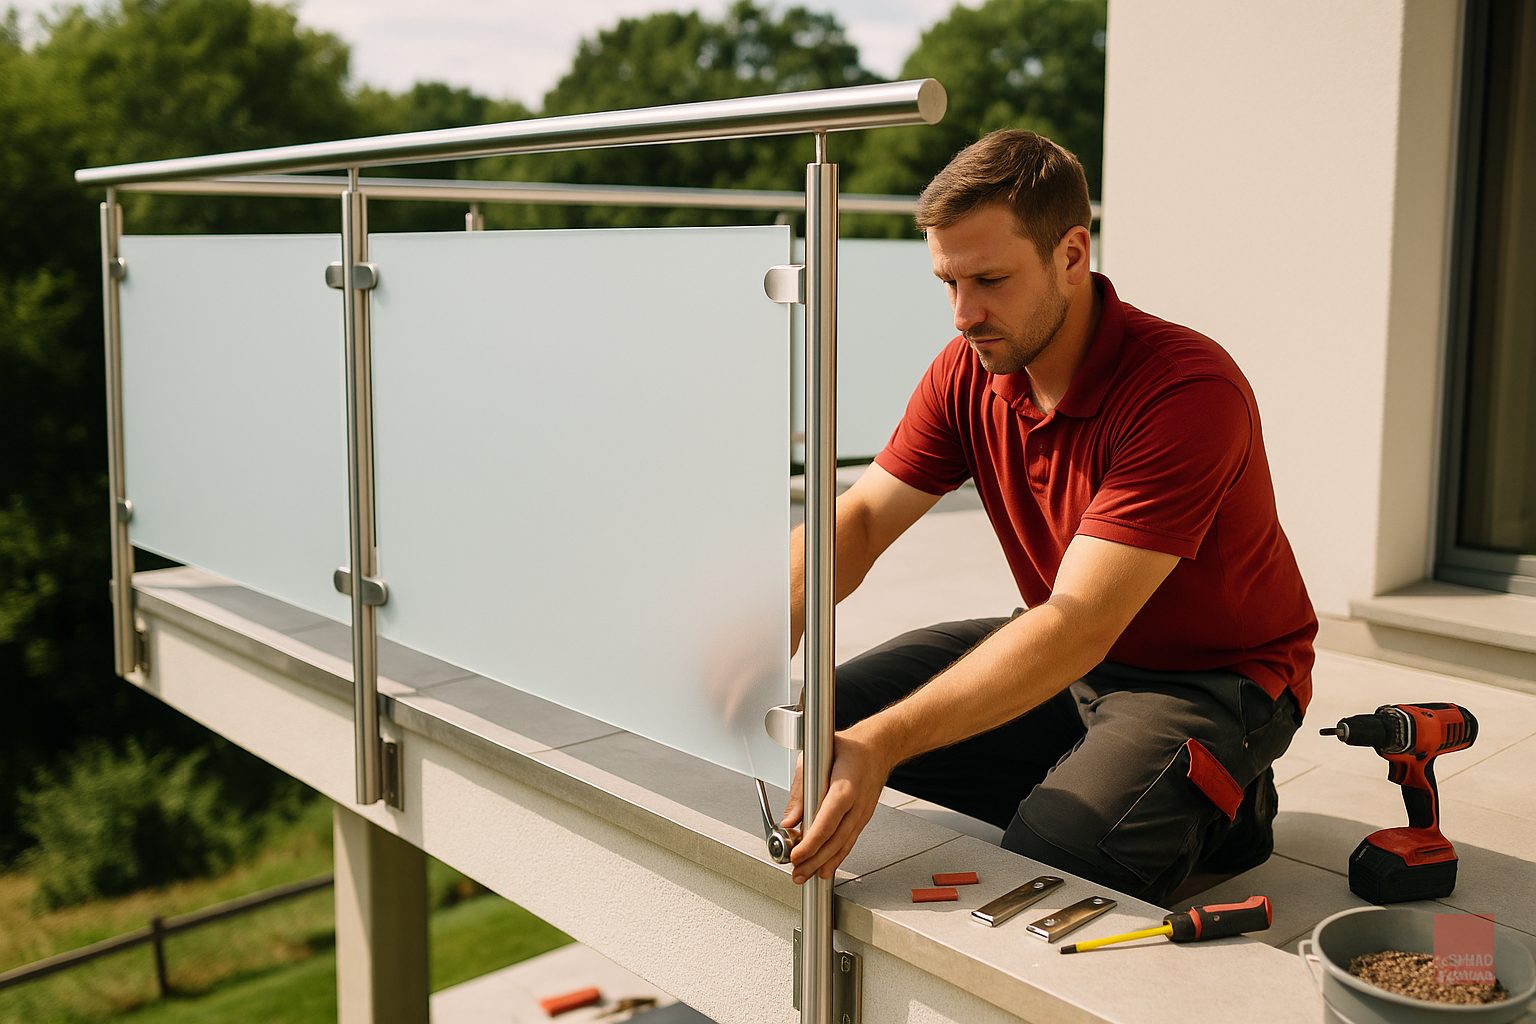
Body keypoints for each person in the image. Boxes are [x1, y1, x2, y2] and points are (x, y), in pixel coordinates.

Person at [780, 129, 1317, 905]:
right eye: (948, 282)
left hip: (1211, 682)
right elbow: (860, 519)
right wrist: (753, 631)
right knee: (817, 723)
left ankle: (1228, 811)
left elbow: (1078, 621)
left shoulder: (1186, 391)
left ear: (1071, 253)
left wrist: (888, 741)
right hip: (1071, 660)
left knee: (1050, 861)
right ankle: (1106, 769)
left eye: (990, 279)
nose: (964, 314)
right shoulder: (969, 366)